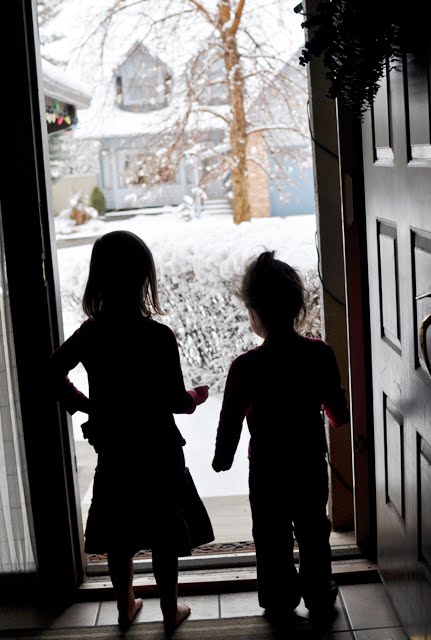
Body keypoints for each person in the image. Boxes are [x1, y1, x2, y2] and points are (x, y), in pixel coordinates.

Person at [48, 230, 209, 635]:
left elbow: (50, 372)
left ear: (98, 279)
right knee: (164, 531)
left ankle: (125, 605)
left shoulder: (91, 333)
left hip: (115, 448)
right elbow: (175, 401)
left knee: (119, 533)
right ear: (143, 279)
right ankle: (169, 610)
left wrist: (84, 404)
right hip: (158, 448)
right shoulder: (157, 336)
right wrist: (196, 396)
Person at [212, 250, 349, 623]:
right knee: (313, 528)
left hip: (267, 467)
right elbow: (338, 410)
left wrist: (222, 457)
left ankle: (278, 596)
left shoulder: (245, 367)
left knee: (270, 534)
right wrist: (335, 417)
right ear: (297, 306)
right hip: (308, 462)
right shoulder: (319, 354)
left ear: (254, 312)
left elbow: (230, 420)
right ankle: (318, 592)